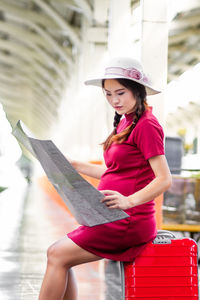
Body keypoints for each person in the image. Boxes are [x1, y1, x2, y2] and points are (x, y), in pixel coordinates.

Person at [38, 57, 172, 300]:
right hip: (112, 216)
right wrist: (75, 165)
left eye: (120, 93)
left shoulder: (146, 126)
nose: (114, 100)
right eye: (108, 94)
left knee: (57, 255)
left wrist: (129, 201)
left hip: (127, 220)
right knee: (60, 257)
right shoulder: (126, 123)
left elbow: (163, 179)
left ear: (137, 91)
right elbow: (117, 172)